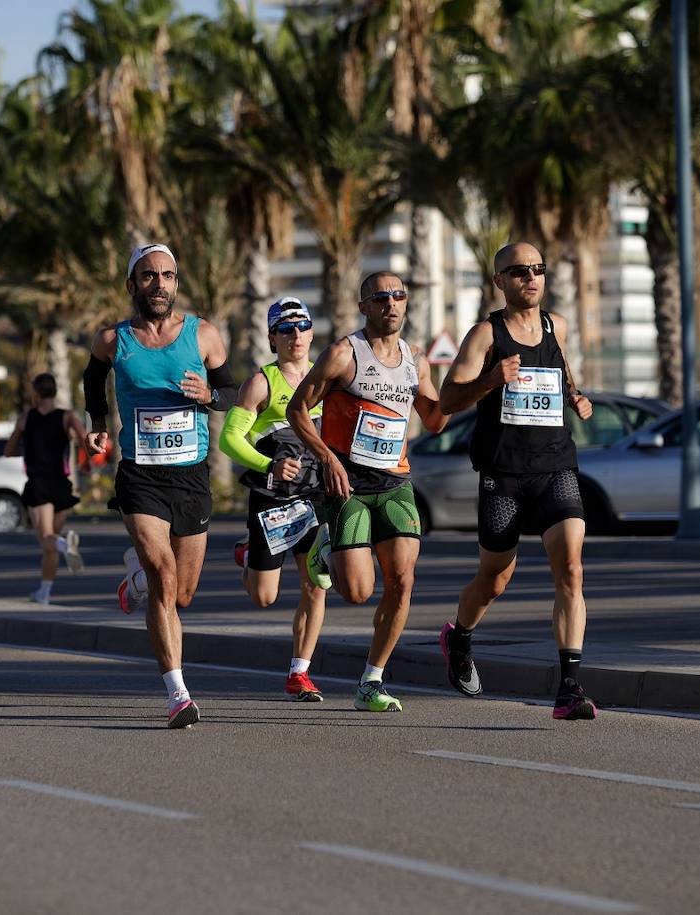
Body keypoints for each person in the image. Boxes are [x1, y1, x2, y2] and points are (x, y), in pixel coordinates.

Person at [437, 242, 597, 720]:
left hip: (555, 466)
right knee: (495, 579)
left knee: (570, 567)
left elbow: (561, 370)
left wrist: (576, 397)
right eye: (519, 271)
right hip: (504, 474)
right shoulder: (485, 335)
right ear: (499, 281)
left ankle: (569, 689)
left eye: (538, 269)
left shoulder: (556, 326)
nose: (531, 277)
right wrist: (491, 379)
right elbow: (447, 400)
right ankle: (459, 636)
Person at [82, 243, 239, 729]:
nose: (160, 285)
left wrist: (209, 395)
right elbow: (93, 380)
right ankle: (178, 693)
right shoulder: (113, 340)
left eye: (168, 276)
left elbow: (231, 393)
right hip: (141, 476)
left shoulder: (204, 335)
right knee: (164, 577)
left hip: (190, 476)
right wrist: (97, 421)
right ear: (132, 285)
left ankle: (135, 580)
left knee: (183, 594)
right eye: (149, 277)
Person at [287, 272, 447, 713]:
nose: (392, 304)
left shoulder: (416, 358)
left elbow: (433, 421)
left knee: (402, 581)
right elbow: (297, 409)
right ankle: (325, 547)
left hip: (395, 483)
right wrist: (327, 458)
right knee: (357, 592)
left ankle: (371, 681)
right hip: (348, 484)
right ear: (364, 307)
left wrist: (474, 386)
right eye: (381, 298)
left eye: (399, 296)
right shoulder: (343, 354)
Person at [220, 297, 328, 702]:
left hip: (315, 495)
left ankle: (299, 672)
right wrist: (268, 465)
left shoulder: (326, 378)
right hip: (273, 499)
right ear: (272, 337)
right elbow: (229, 440)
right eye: (285, 328)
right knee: (263, 597)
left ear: (313, 332)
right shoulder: (261, 383)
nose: (295, 334)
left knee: (317, 582)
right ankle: (249, 553)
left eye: (302, 326)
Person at [4, 372, 89, 605]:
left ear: (36, 392)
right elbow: (85, 441)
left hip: (39, 482)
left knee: (46, 540)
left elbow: (8, 450)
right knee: (49, 545)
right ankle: (44, 592)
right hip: (61, 483)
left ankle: (65, 544)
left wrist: (28, 447)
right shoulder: (67, 417)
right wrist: (86, 462)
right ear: (54, 391)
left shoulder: (25, 418)